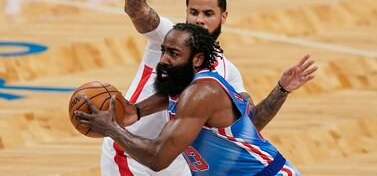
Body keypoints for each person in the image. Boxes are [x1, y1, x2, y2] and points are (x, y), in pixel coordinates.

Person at [101, 0, 316, 176]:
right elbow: (136, 9)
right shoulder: (171, 36)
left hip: (180, 158)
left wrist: (281, 90)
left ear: (223, 17)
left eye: (208, 14)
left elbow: (250, 125)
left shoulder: (227, 72)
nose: (199, 20)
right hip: (133, 152)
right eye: (194, 12)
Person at [76, 23, 317, 175]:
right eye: (163, 51)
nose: (164, 60)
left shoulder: (201, 94)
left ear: (198, 60)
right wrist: (119, 113)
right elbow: (132, 113)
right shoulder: (179, 86)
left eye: (174, 53)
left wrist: (112, 129)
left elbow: (158, 158)